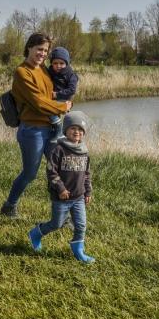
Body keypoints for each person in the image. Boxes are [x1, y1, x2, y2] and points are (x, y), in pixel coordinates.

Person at [0, 33, 71, 218]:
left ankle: (63, 216)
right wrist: (63, 107)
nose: (43, 53)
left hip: (52, 128)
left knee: (60, 171)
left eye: (46, 50)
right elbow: (38, 102)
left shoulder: (44, 70)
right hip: (33, 130)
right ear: (29, 47)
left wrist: (67, 94)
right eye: (39, 49)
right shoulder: (22, 72)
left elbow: (53, 91)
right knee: (30, 173)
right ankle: (10, 205)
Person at [28, 111, 95, 263]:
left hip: (78, 197)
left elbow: (87, 174)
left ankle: (78, 250)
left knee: (81, 225)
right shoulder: (58, 149)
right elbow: (51, 172)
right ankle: (36, 233)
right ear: (65, 130)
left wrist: (88, 191)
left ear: (83, 133)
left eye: (80, 129)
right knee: (56, 224)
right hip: (61, 197)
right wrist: (61, 189)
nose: (76, 132)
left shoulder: (84, 152)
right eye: (73, 128)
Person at [47, 46, 79, 143]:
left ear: (66, 63)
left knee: (48, 109)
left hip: (63, 99)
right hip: (53, 98)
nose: (58, 66)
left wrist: (57, 94)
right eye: (55, 63)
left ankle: (59, 128)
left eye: (62, 63)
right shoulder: (50, 71)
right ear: (51, 63)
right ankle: (56, 129)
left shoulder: (70, 75)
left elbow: (72, 90)